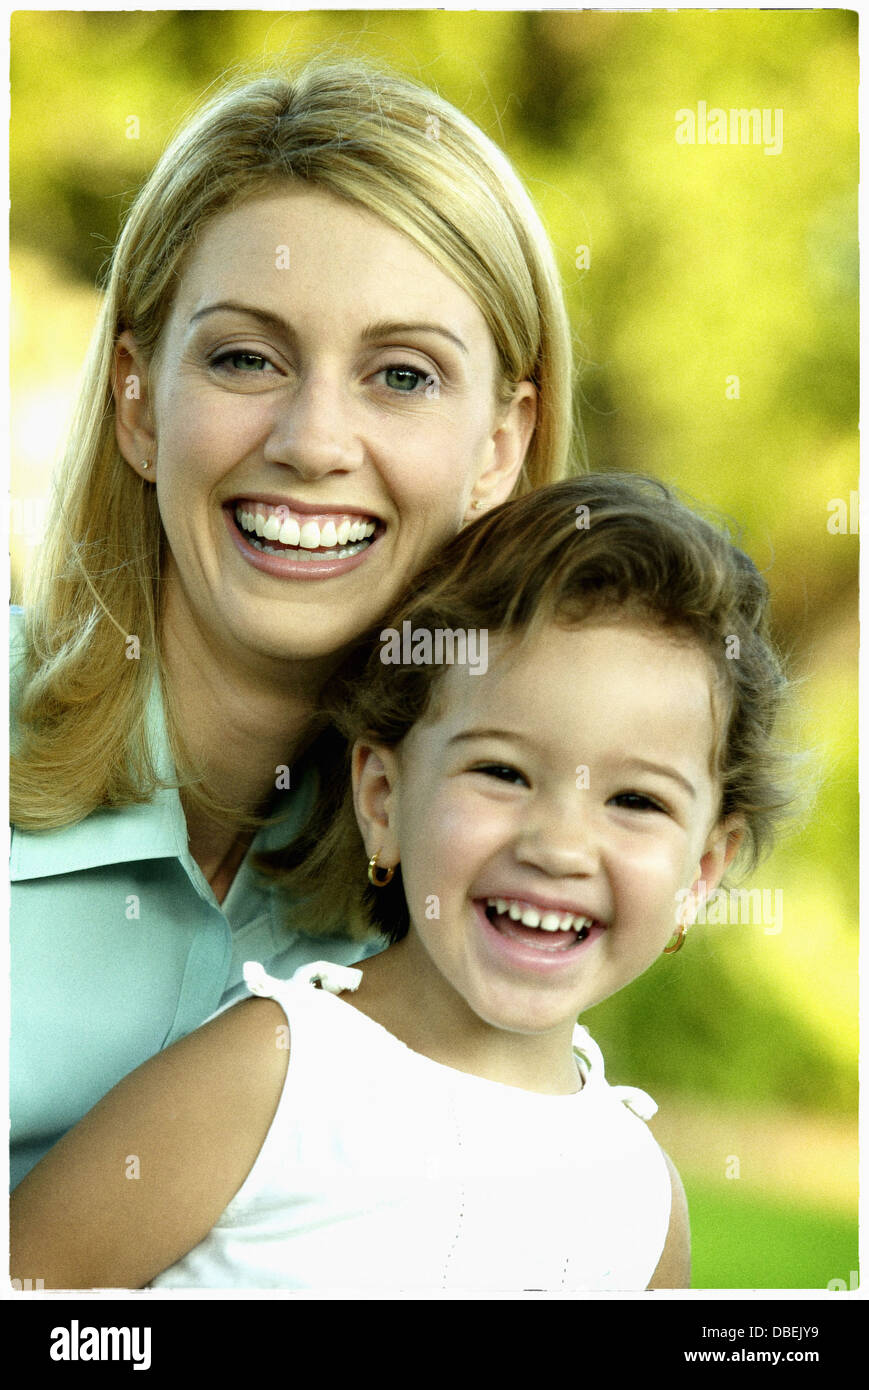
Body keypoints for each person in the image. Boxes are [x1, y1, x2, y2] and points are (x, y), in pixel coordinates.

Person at [9, 58, 578, 1189]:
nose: (313, 440)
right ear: (137, 400)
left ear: (501, 447)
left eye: (401, 375)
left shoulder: (461, 878)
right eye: (244, 358)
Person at [10, 474, 794, 1291]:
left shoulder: (644, 1204)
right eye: (501, 772)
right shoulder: (275, 1074)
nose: (560, 847)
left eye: (635, 800)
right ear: (383, 799)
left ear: (701, 871)